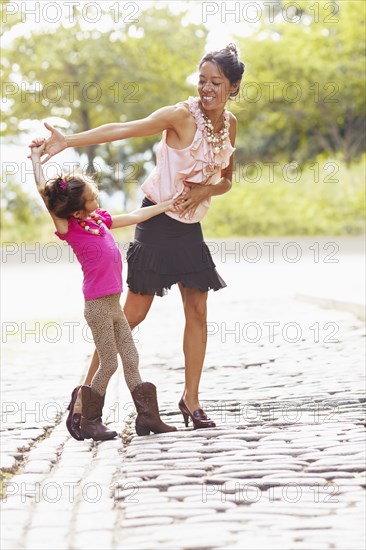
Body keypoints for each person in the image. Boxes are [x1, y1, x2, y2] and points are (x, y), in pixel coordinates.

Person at [32, 43, 245, 430]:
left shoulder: (229, 125)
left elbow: (227, 181)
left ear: (233, 86)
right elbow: (123, 129)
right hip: (157, 220)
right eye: (202, 80)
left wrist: (204, 192)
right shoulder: (180, 116)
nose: (207, 89)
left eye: (216, 82)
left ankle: (191, 400)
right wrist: (68, 141)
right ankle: (84, 397)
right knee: (130, 315)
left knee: (198, 311)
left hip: (189, 227)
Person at [29, 139, 177, 440]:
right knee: (109, 362)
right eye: (92, 198)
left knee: (131, 358)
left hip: (113, 304)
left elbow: (135, 216)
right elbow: (45, 194)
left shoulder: (99, 220)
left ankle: (147, 417)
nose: (97, 200)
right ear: (77, 207)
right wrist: (35, 159)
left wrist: (167, 206)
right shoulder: (70, 229)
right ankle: (88, 420)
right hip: (96, 306)